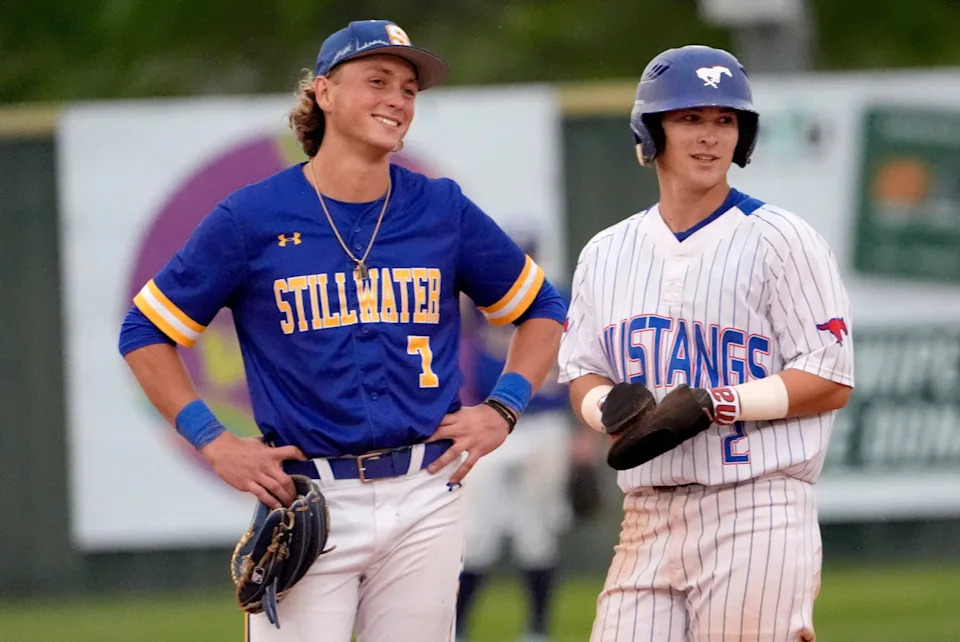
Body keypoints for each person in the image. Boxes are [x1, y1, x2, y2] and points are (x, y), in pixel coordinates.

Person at [118, 19, 566, 642]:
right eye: (377, 80)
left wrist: (505, 407)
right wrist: (214, 440)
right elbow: (145, 330)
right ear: (323, 93)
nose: (398, 99)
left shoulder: (440, 209)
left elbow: (541, 307)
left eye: (409, 89)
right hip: (312, 501)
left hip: (426, 493)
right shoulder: (253, 217)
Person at [558, 45, 855, 642]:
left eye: (726, 120)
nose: (710, 136)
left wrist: (718, 404)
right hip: (647, 516)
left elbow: (829, 380)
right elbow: (583, 373)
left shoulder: (783, 240)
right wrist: (604, 408)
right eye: (690, 118)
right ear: (652, 130)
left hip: (758, 509)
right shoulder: (606, 252)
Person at [453, 241, 586, 642]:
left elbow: (584, 361)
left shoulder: (556, 296)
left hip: (544, 423)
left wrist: (585, 432)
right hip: (491, 422)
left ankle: (537, 629)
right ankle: (456, 627)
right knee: (475, 534)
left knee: (537, 532)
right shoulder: (483, 296)